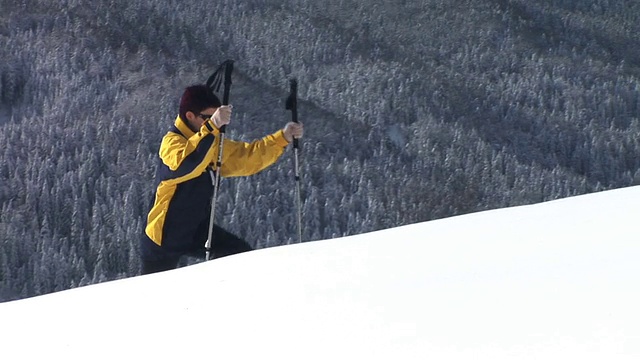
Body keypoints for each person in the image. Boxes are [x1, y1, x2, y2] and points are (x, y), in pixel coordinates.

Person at [140, 84, 304, 275]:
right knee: (154, 296)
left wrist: (282, 138)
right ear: (190, 116)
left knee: (239, 253)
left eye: (215, 117)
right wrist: (213, 126)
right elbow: (188, 163)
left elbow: (246, 157)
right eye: (207, 117)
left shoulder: (210, 141)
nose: (213, 122)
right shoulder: (172, 143)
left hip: (195, 228)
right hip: (162, 236)